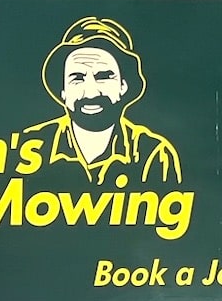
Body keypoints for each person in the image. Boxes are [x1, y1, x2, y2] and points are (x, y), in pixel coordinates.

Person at [24, 16, 182, 185]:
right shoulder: (30, 148)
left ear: (123, 86)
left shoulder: (153, 154)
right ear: (63, 91)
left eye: (103, 77)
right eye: (77, 78)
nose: (91, 93)